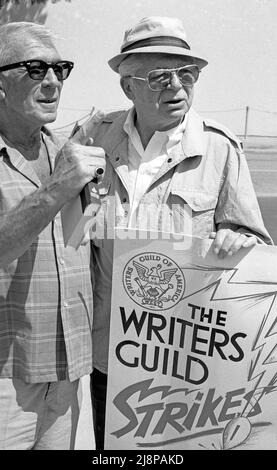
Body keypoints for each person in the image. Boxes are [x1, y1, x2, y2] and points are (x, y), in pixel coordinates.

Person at [76, 16, 273, 449]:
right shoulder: (92, 139)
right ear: (128, 87)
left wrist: (239, 242)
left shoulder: (219, 148)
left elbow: (256, 246)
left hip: (187, 361)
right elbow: (67, 237)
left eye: (188, 74)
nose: (178, 88)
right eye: (160, 77)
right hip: (111, 355)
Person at [0, 22, 105, 450]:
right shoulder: (67, 170)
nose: (52, 82)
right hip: (8, 380)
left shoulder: (71, 152)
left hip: (67, 373)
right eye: (35, 69)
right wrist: (55, 189)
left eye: (60, 69)